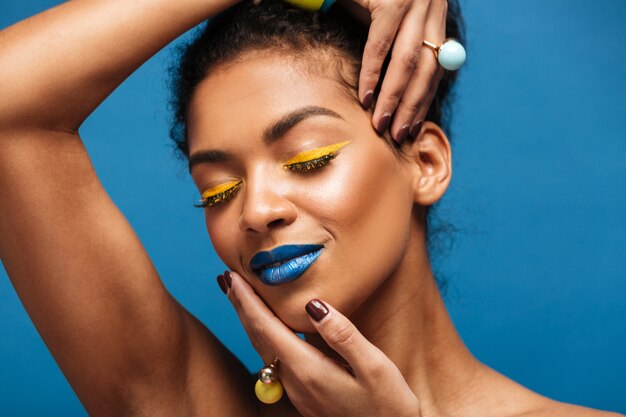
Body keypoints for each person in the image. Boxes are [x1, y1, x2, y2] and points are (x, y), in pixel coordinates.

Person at [0, 0, 621, 416]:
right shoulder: (183, 399)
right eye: (218, 189)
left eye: (307, 159)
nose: (257, 210)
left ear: (425, 163)